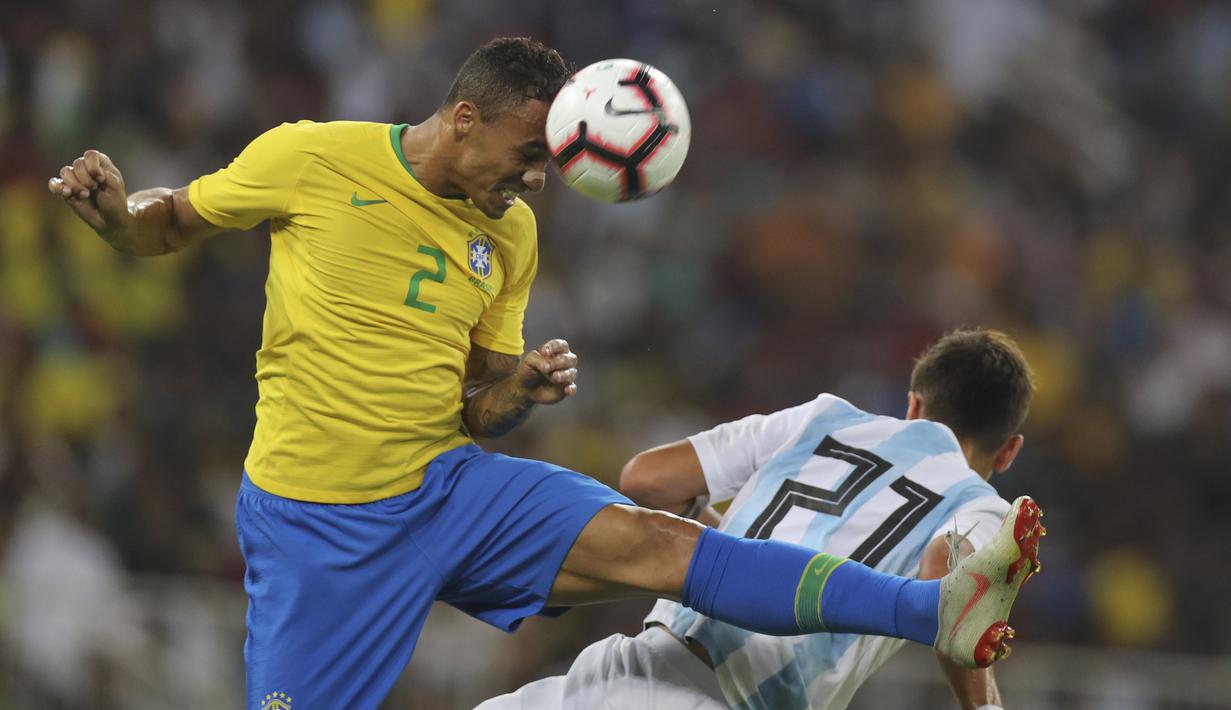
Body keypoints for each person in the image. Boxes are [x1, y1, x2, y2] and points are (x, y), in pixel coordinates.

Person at [48, 38, 1042, 709]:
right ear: (466, 117)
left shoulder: (509, 236)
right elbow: (170, 222)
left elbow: (476, 410)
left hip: (446, 484)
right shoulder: (313, 158)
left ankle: (925, 607)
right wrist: (114, 214)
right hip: (320, 523)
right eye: (528, 155)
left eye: (551, 165)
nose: (533, 182)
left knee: (660, 539)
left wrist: (512, 393)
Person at [478, 328, 1043, 710]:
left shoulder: (825, 417)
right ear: (1009, 451)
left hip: (617, 669)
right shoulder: (979, 502)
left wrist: (723, 528)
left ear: (915, 404)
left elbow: (647, 480)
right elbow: (944, 575)